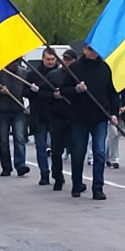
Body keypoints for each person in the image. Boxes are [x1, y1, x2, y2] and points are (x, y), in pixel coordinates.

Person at [58, 44, 118, 200]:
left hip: (100, 117)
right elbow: (64, 90)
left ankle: (98, 188)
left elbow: (112, 93)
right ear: (85, 50)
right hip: (79, 118)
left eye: (96, 50)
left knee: (99, 152)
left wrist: (114, 113)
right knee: (78, 153)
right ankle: (77, 183)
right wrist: (76, 89)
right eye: (91, 50)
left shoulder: (105, 68)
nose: (93, 53)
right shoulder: (76, 68)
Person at [0, 60, 30, 177]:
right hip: (3, 111)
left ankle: (20, 165)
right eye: (12, 64)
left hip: (18, 110)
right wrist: (0, 92)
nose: (14, 66)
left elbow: (27, 90)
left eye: (15, 64)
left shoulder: (23, 73)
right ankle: (6, 167)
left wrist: (30, 90)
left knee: (19, 138)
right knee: (3, 141)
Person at [26, 47, 61, 185]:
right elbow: (25, 92)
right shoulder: (34, 74)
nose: (51, 62)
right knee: (41, 146)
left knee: (56, 146)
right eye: (48, 59)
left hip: (55, 114)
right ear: (43, 59)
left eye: (53, 59)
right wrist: (32, 90)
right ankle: (44, 173)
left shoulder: (60, 73)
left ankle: (57, 173)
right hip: (39, 114)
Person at [47, 50, 76, 191]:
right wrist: (53, 95)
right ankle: (57, 176)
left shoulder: (78, 76)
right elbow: (43, 93)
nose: (66, 62)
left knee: (76, 151)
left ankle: (77, 180)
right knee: (56, 150)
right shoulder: (53, 75)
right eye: (64, 59)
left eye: (69, 60)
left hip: (74, 117)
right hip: (57, 117)